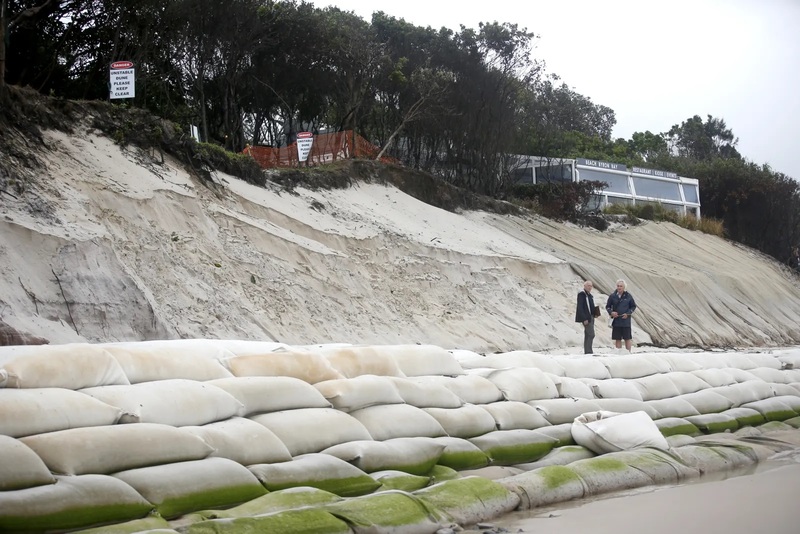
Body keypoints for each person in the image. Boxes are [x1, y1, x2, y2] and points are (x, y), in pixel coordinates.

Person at [606, 279, 637, 353]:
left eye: (621, 286)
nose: (619, 287)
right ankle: (618, 353)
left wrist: (628, 313)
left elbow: (633, 306)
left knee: (627, 338)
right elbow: (608, 306)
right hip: (616, 320)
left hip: (626, 320)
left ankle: (628, 353)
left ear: (624, 287)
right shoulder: (612, 296)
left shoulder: (628, 296)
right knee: (618, 338)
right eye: (618, 286)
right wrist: (611, 312)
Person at [574, 280, 597, 354]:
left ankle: (587, 351)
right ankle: (589, 351)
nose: (590, 287)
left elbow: (591, 307)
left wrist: (595, 313)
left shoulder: (589, 295)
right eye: (588, 285)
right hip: (586, 318)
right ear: (584, 286)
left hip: (591, 317)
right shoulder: (582, 294)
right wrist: (584, 318)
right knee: (591, 334)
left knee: (588, 334)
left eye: (591, 286)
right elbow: (580, 307)